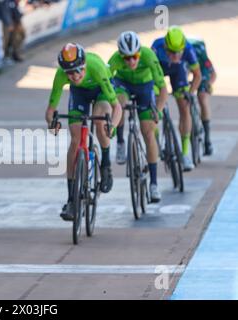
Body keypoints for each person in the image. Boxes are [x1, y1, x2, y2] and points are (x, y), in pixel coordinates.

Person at [45, 43, 122, 221]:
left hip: (101, 91)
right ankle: (72, 199)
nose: (74, 75)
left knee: (100, 118)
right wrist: (52, 123)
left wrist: (113, 126)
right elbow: (50, 111)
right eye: (69, 72)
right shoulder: (62, 75)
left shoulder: (96, 67)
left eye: (78, 70)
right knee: (76, 139)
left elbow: (116, 107)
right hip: (79, 94)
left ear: (84, 65)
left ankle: (105, 164)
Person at [109, 31, 168, 202]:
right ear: (121, 55)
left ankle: (154, 184)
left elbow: (163, 89)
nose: (131, 61)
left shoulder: (149, 56)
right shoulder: (114, 60)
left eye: (134, 56)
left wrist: (158, 109)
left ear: (139, 52)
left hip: (144, 86)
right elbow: (105, 86)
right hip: (123, 84)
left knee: (148, 133)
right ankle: (120, 142)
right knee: (119, 102)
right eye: (126, 58)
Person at [152, 26, 202, 171]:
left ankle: (185, 153)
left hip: (178, 72)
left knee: (185, 107)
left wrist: (191, 92)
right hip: (158, 71)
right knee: (155, 105)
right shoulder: (156, 46)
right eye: (171, 52)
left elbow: (197, 76)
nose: (175, 56)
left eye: (178, 52)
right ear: (165, 46)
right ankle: (156, 144)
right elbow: (149, 72)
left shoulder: (188, 48)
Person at [188, 37, 217, 155]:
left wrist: (208, 84)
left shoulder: (201, 54)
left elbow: (213, 74)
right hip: (188, 69)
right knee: (185, 98)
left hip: (202, 72)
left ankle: (207, 140)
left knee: (202, 97)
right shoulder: (181, 54)